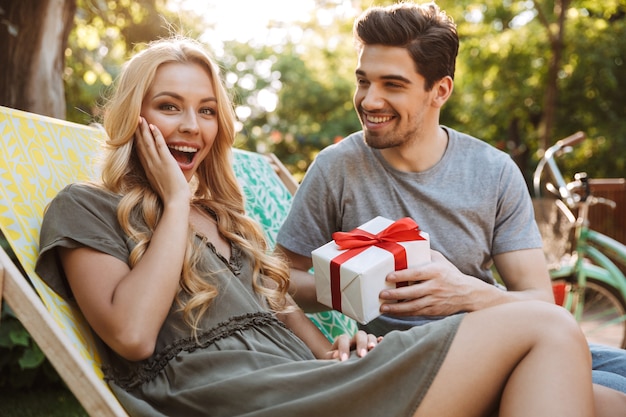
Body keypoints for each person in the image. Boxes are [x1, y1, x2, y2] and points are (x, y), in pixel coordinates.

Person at [34, 36, 624, 417]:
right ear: (134, 115)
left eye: (207, 110)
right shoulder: (86, 207)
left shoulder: (225, 219)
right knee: (547, 327)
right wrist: (174, 204)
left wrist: (340, 345)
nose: (191, 125)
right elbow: (133, 336)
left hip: (304, 378)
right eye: (169, 106)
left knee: (601, 398)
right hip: (230, 394)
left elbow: (285, 311)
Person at [275, 1, 626, 395]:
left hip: (498, 336)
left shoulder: (494, 170)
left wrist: (462, 292)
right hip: (410, 355)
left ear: (439, 91)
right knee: (600, 394)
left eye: (392, 84)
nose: (369, 100)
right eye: (363, 81)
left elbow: (540, 300)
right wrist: (355, 285)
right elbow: (279, 281)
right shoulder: (336, 168)